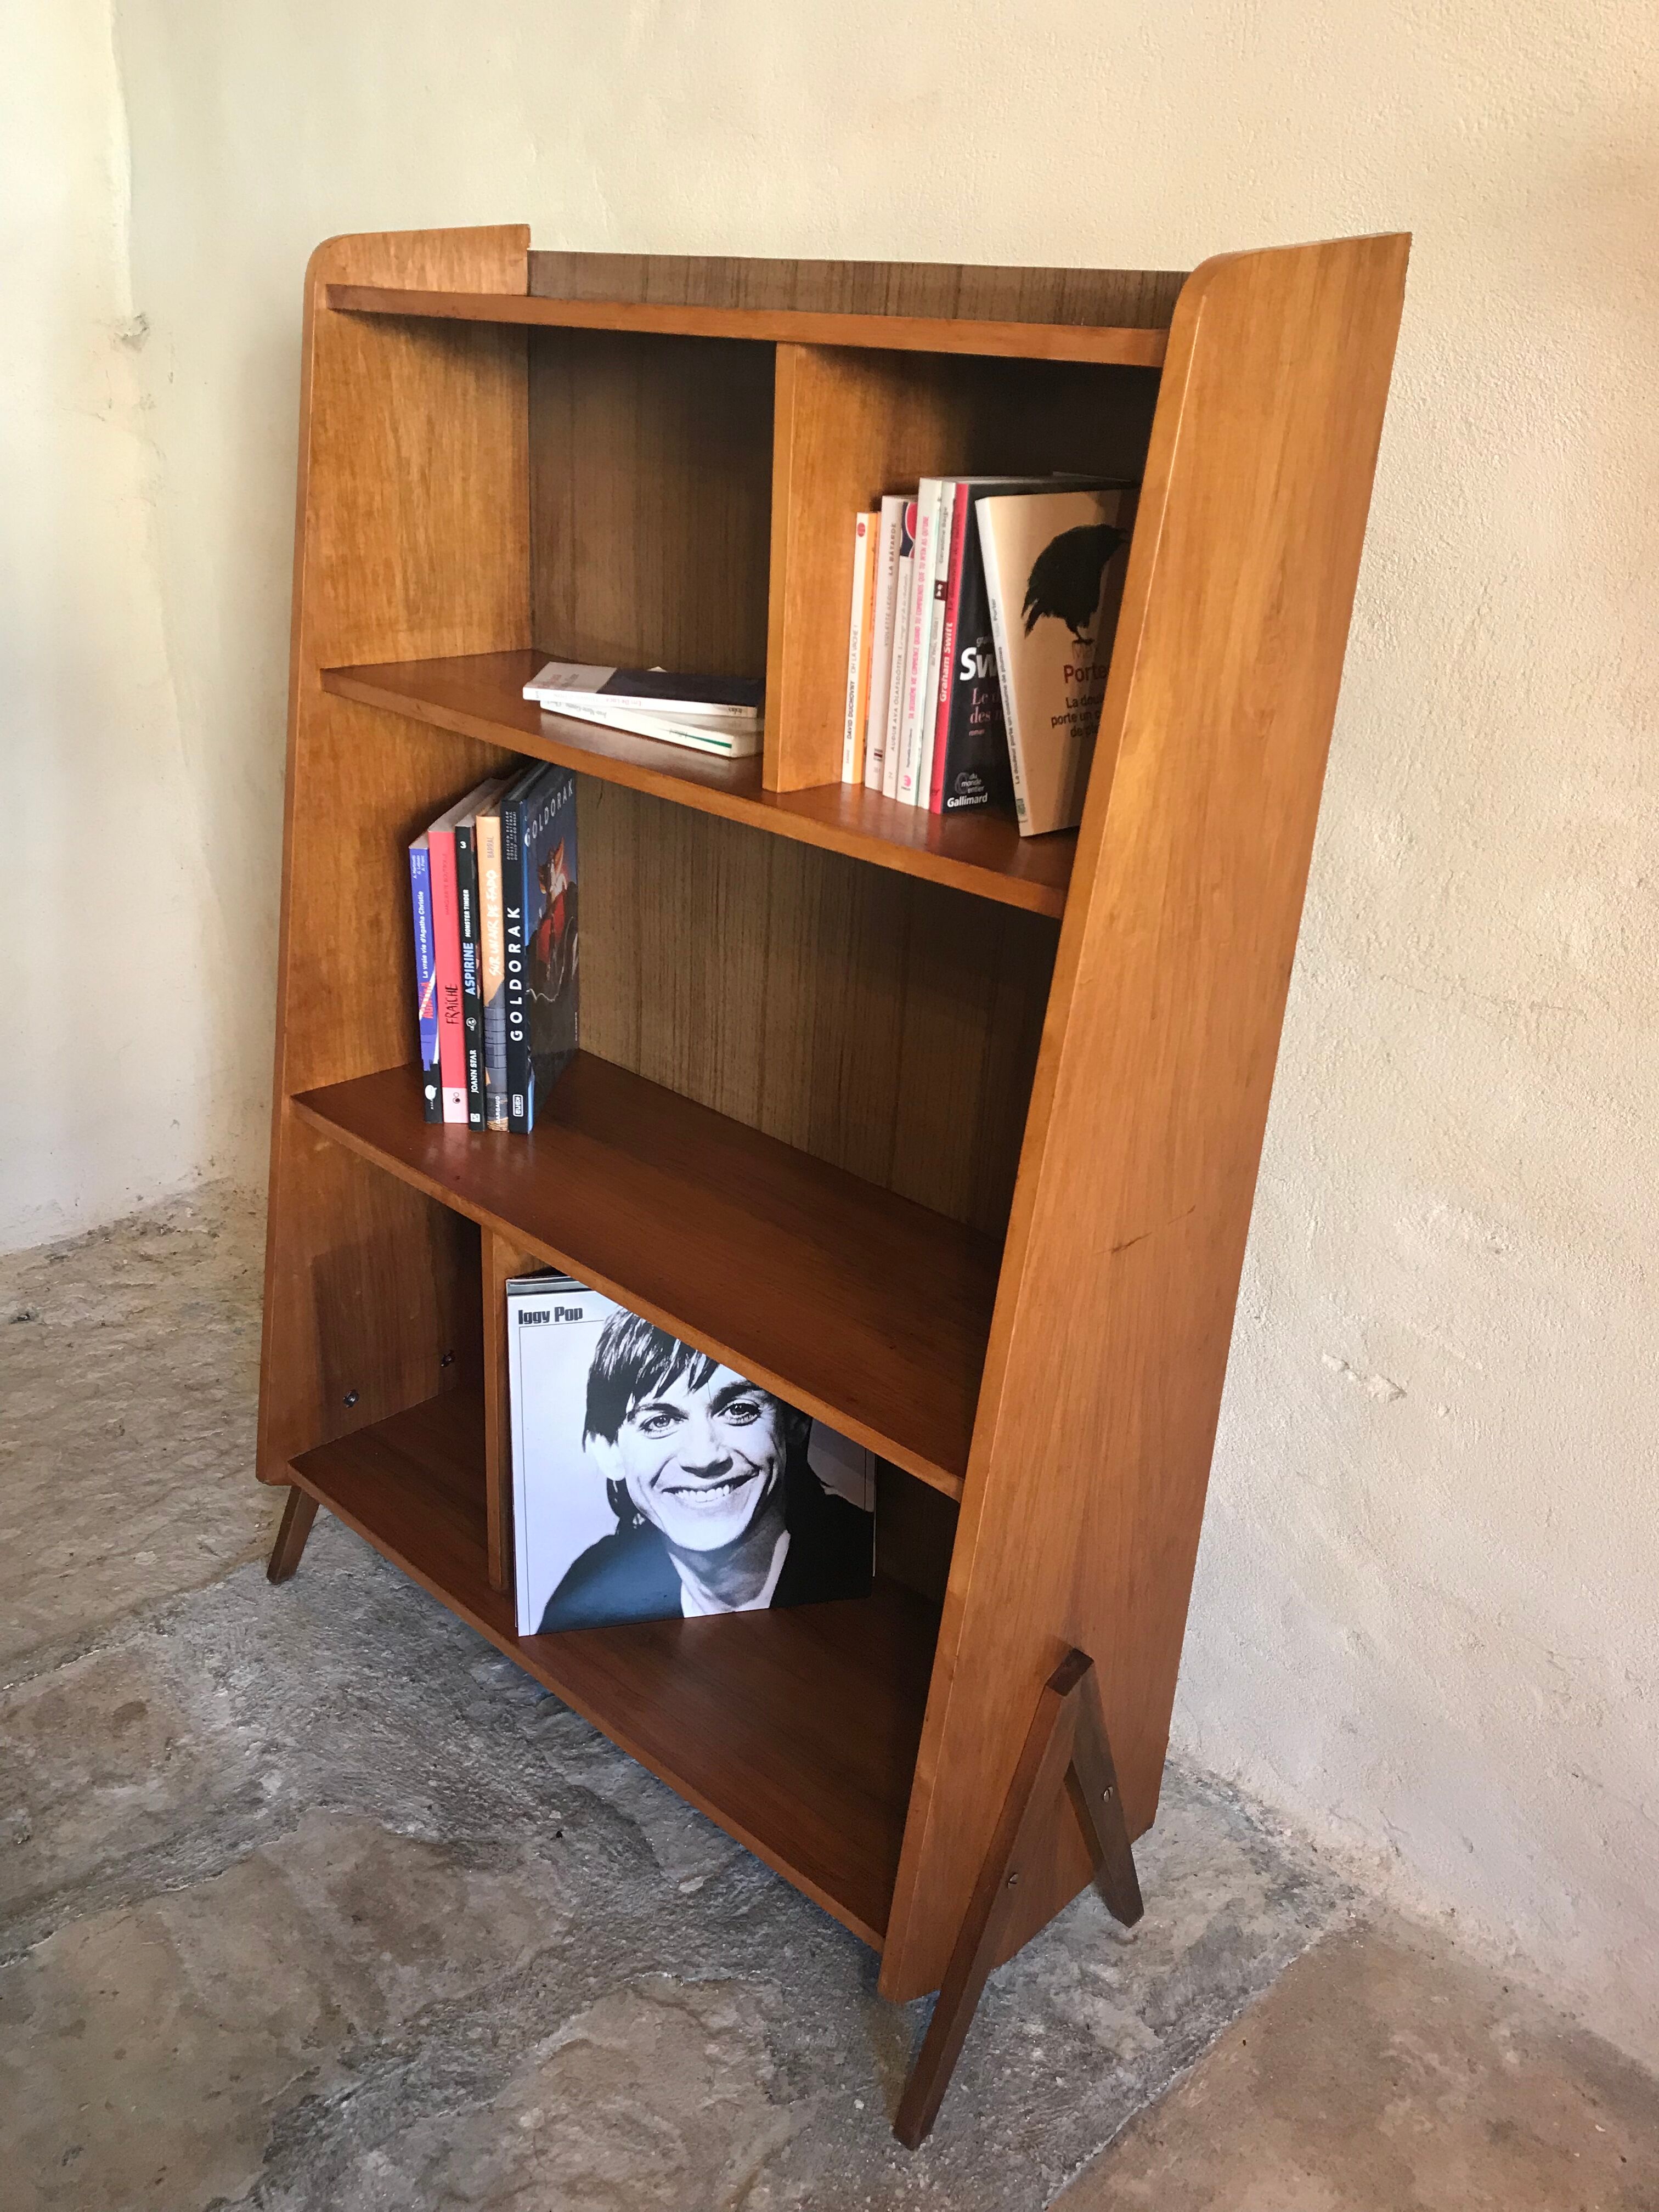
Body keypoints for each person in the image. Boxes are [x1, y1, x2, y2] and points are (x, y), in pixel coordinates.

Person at [538, 1311, 873, 1631]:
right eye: (659, 1422)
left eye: (739, 1410)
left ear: (795, 1422)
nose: (704, 1457)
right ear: (607, 1451)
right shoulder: (587, 1599)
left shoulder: (865, 1564)